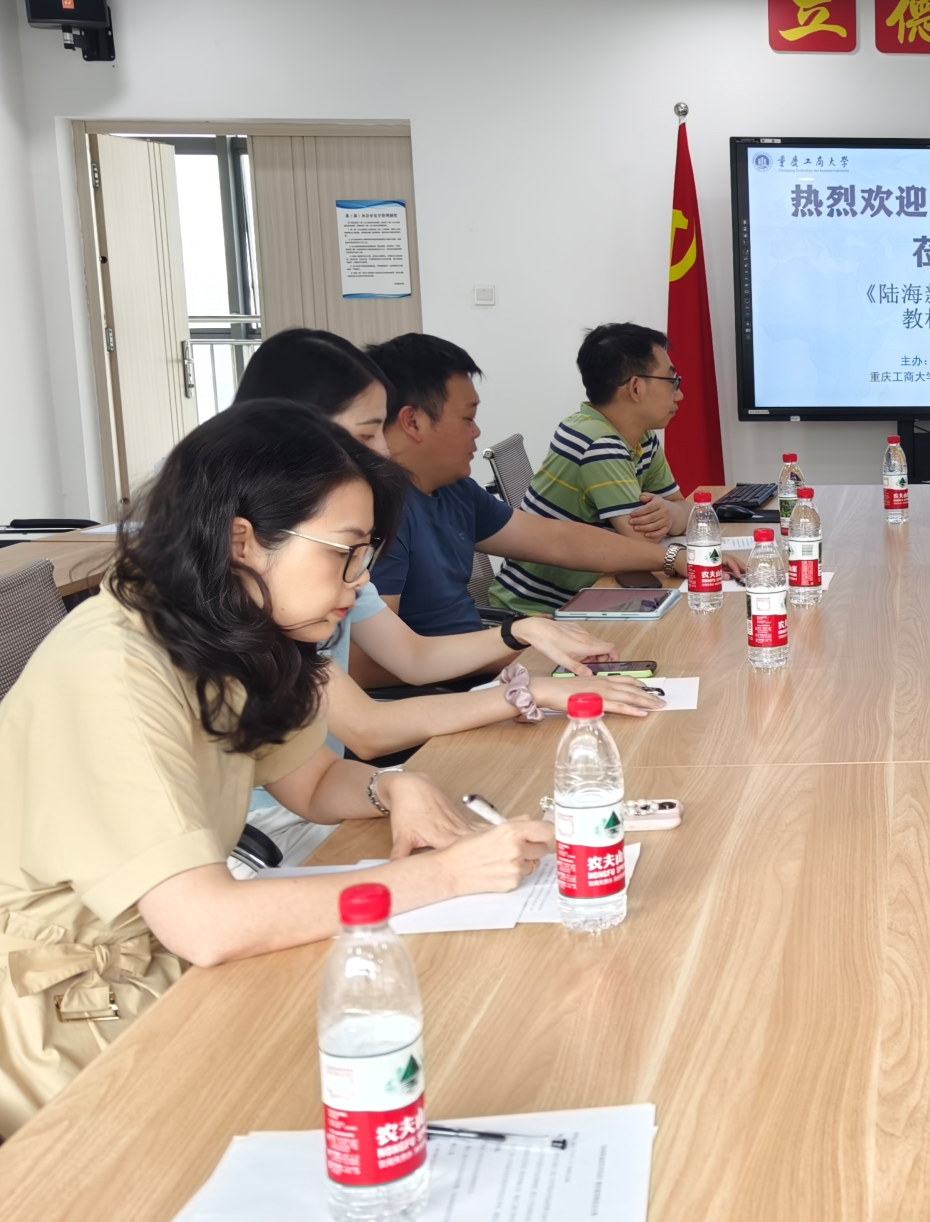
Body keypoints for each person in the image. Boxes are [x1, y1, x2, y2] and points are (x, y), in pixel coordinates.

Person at [0, 401, 554, 1135]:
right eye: (344, 552)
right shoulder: (116, 670)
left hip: (157, 967)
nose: (358, 581)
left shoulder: (214, 629)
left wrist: (395, 785)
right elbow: (206, 924)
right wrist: (445, 876)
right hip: (68, 1012)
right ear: (242, 542)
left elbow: (310, 782)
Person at [233, 332, 660, 848]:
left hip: (323, 804)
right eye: (368, 433)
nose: (384, 451)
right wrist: (523, 690)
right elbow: (366, 726)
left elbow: (405, 664)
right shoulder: (254, 582)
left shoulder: (322, 560)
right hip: (267, 838)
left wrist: (519, 633)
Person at [362, 335, 686, 663]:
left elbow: (559, 541)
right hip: (454, 684)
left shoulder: (454, 489)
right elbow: (372, 664)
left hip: (486, 666)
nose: (476, 431)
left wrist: (673, 558)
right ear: (413, 421)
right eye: (467, 418)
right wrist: (514, 645)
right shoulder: (379, 513)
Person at [492, 323, 696, 615]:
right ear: (636, 387)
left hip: (592, 597)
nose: (679, 395)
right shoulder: (597, 442)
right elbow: (644, 543)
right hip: (537, 612)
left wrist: (671, 511)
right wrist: (673, 516)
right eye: (671, 381)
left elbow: (685, 512)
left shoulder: (639, 436)